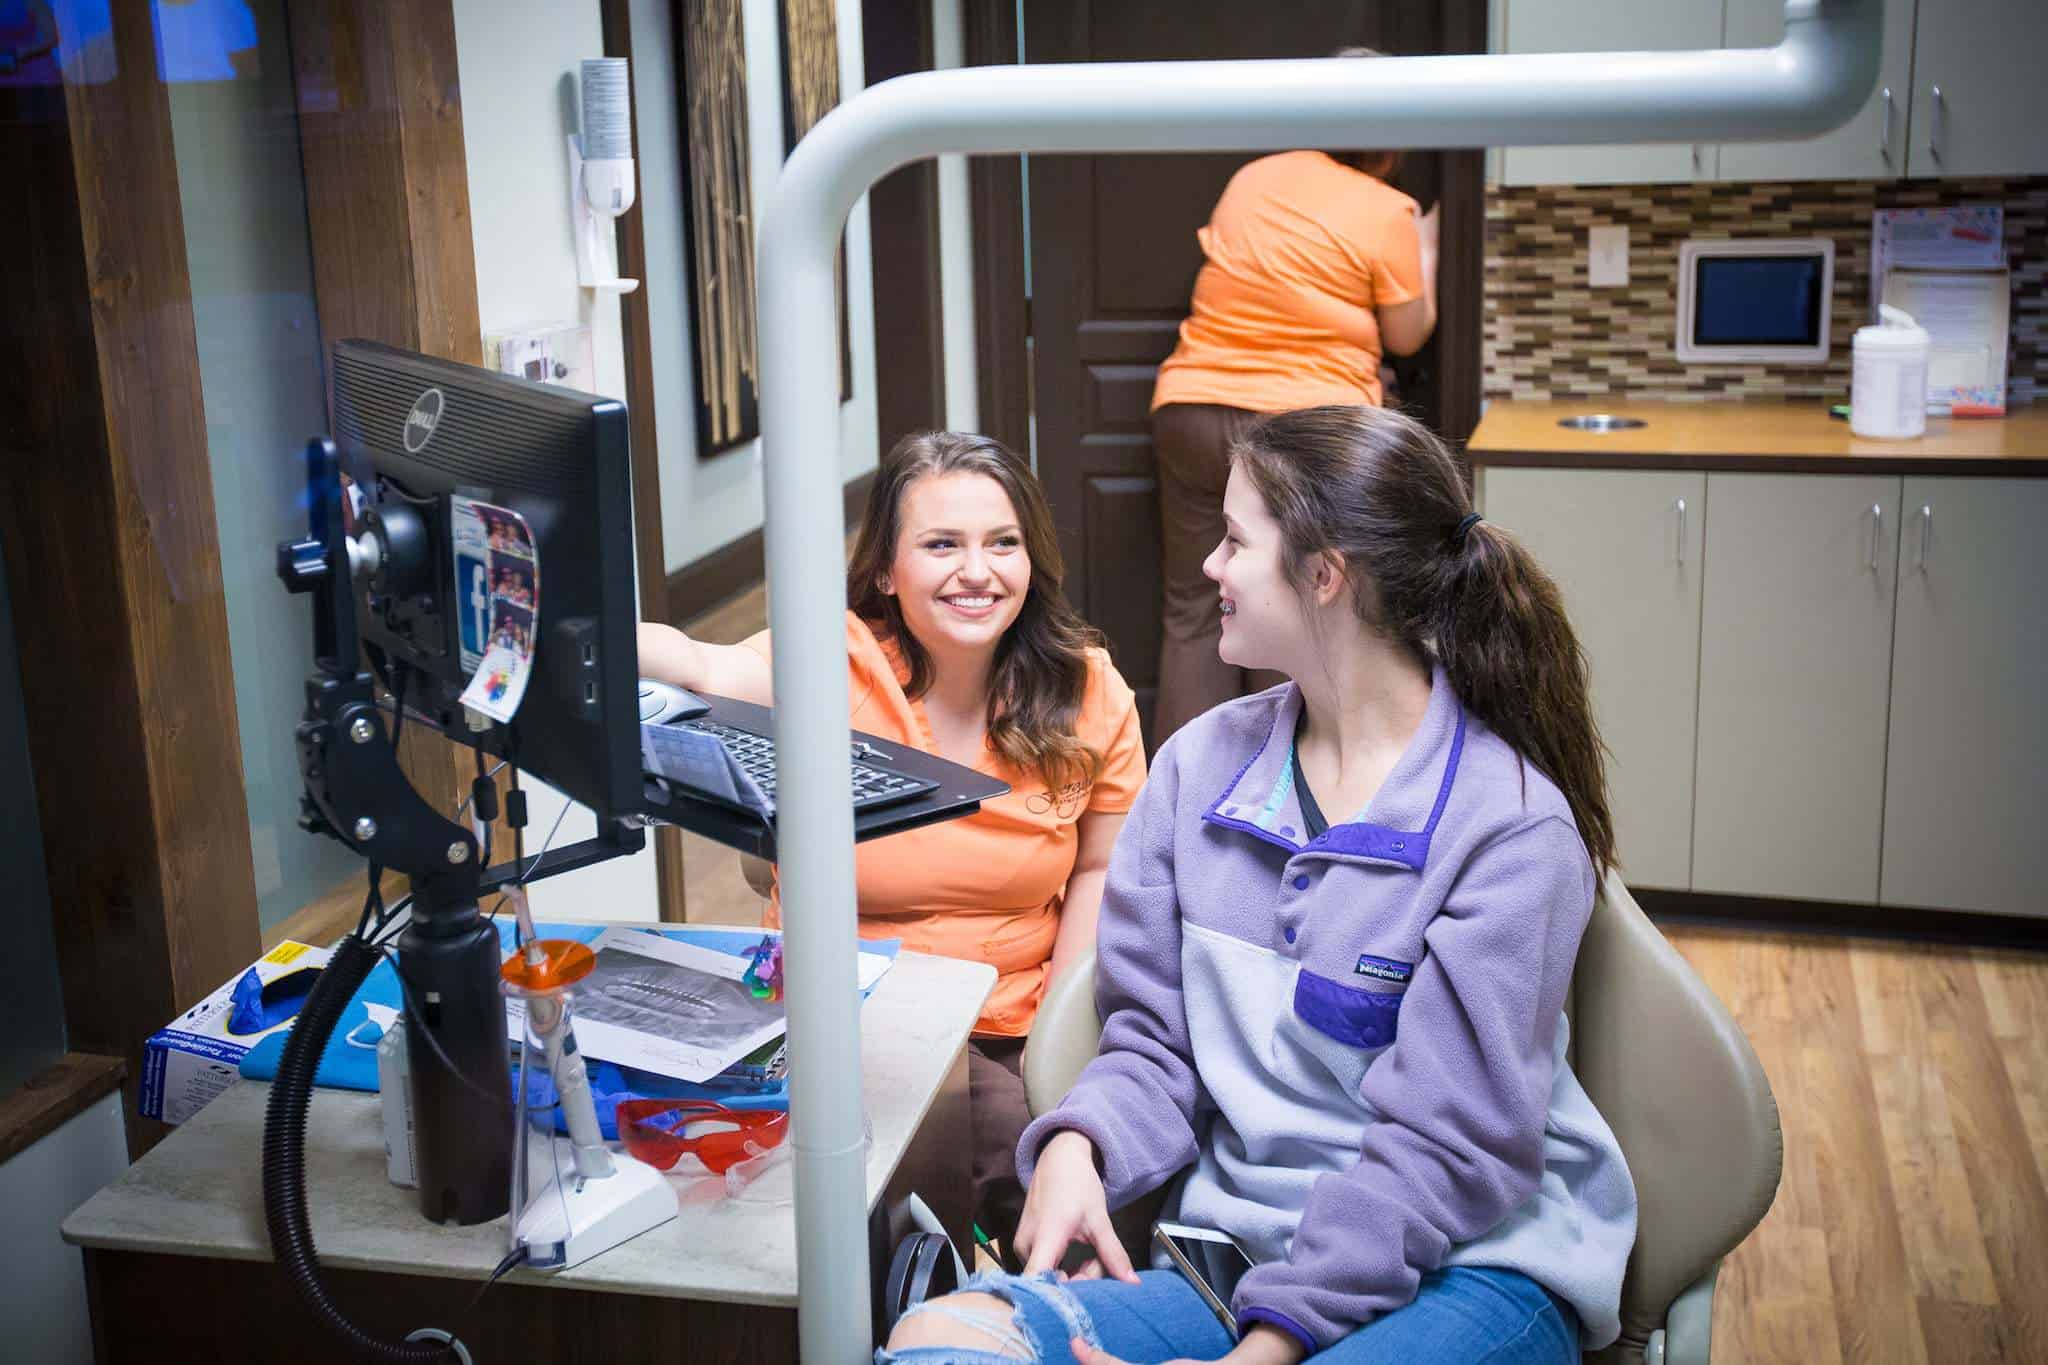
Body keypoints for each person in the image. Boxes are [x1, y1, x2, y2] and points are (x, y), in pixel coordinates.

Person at [881, 405, 1637, 1365]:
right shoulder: (1198, 769)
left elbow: (1448, 1153)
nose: (1211, 567)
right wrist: (1082, 1145)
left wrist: (1268, 1350)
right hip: (1235, 1261)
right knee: (940, 1341)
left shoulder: (1509, 825)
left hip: (1472, 1267)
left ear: (1326, 576)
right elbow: (1152, 1045)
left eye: (1235, 541)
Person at [638, 431, 1146, 1257]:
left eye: (1002, 543)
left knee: (1068, 1179)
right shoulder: (831, 663)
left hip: (1002, 1027)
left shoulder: (1087, 690)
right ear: (885, 569)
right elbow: (699, 665)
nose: (976, 571)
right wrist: (557, 636)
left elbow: (1100, 867)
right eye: (941, 544)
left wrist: (1063, 1029)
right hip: (841, 1019)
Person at [1149, 58, 1440, 745]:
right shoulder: (1385, 208)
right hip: (1303, 433)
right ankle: (1282, 806)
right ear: (1393, 138)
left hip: (1189, 408)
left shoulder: (1254, 177)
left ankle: (1187, 816)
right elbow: (1409, 333)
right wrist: (1425, 246)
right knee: (1299, 613)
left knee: (1194, 608)